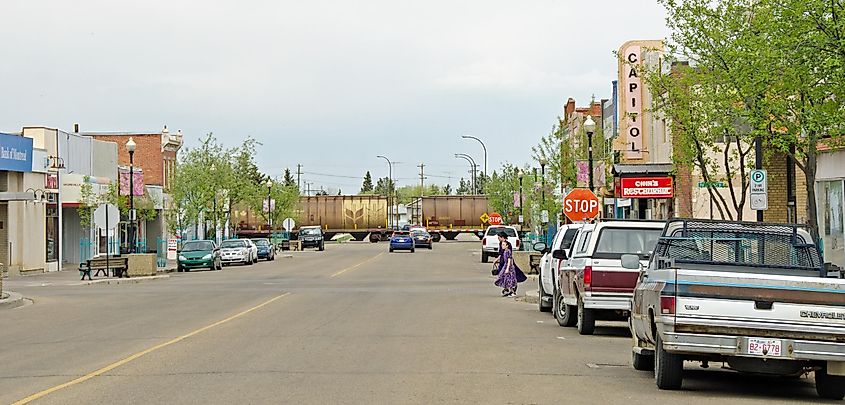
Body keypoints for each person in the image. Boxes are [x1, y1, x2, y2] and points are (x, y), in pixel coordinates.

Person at [493, 232, 526, 297]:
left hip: (508, 264)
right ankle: (507, 289)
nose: (498, 239)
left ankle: (512, 290)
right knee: (503, 276)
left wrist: (508, 267)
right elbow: (501, 253)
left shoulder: (508, 245)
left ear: (502, 237)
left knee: (511, 277)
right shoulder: (501, 244)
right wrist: (497, 260)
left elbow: (509, 257)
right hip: (503, 262)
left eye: (499, 237)